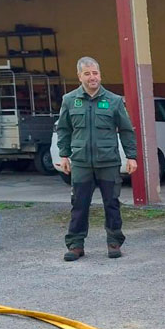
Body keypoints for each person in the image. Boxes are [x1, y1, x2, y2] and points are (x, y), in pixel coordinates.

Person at [55, 56, 137, 261]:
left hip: (108, 162)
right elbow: (64, 129)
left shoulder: (114, 100)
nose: (92, 77)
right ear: (79, 76)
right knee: (79, 204)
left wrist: (131, 156)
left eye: (95, 73)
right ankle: (75, 245)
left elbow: (126, 130)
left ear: (100, 74)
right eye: (87, 73)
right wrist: (64, 154)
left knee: (112, 203)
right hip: (81, 162)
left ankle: (114, 242)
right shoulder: (69, 100)